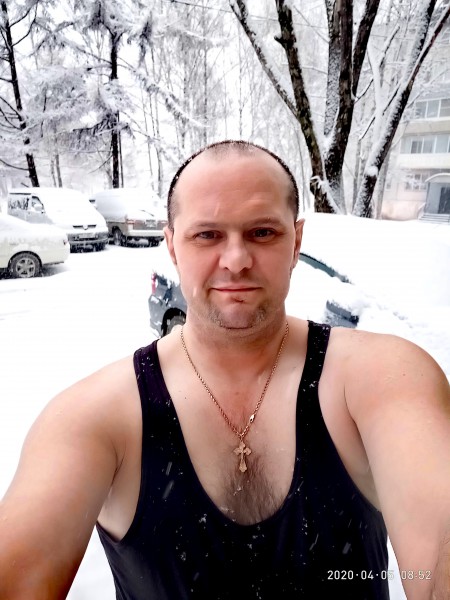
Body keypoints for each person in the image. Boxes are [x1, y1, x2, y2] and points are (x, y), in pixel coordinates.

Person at [0, 140, 449, 600]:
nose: (236, 261)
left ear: (296, 242)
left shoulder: (381, 380)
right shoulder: (95, 418)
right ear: (172, 246)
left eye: (262, 232)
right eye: (207, 235)